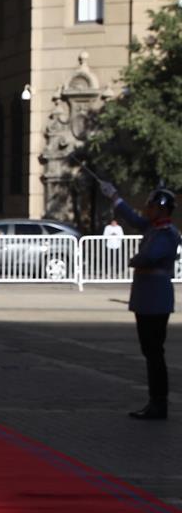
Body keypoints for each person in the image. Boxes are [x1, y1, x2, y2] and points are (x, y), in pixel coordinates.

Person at [101, 180, 180, 420]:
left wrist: (134, 259)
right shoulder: (154, 228)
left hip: (155, 300)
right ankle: (154, 401)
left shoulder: (166, 233)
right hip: (147, 299)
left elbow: (148, 257)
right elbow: (134, 219)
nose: (147, 209)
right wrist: (114, 196)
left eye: (151, 206)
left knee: (155, 353)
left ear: (162, 209)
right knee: (150, 352)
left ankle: (159, 403)